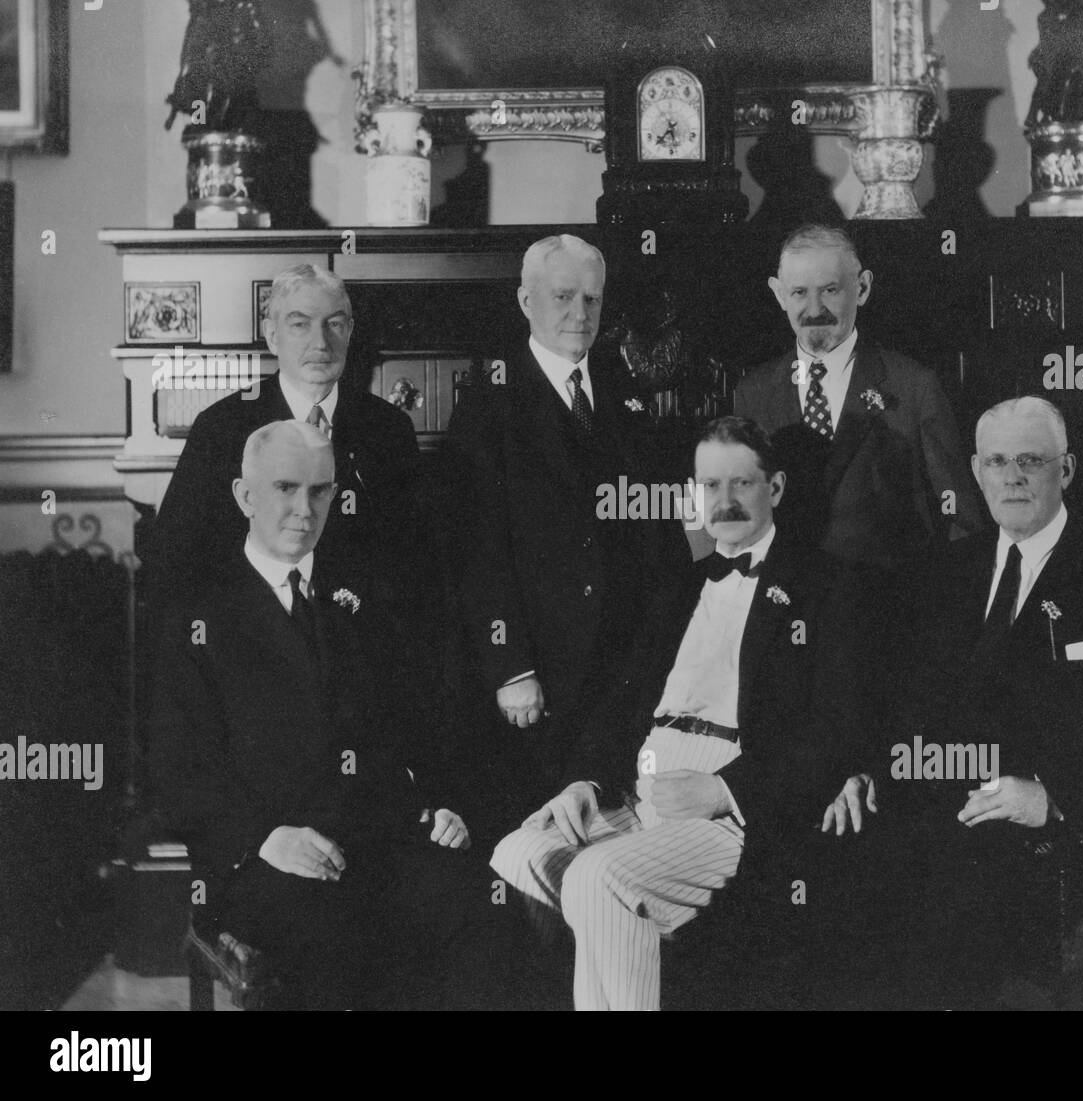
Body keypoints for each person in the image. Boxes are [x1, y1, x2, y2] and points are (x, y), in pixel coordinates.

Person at [490, 416, 865, 1011]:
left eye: (741, 484)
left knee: (596, 877)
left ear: (778, 488)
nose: (725, 501)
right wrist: (583, 783)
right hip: (641, 791)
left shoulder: (827, 586)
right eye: (710, 486)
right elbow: (622, 706)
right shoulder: (675, 590)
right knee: (517, 852)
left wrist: (725, 790)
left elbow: (835, 723)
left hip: (729, 804)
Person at [148, 420, 489, 1010]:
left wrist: (438, 802)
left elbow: (413, 725)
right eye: (286, 488)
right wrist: (265, 838)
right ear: (244, 496)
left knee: (476, 907)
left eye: (320, 490)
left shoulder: (362, 597)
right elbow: (178, 771)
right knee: (336, 937)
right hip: (258, 860)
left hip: (375, 839)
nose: (304, 509)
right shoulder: (196, 614)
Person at [821, 395, 1083, 1007]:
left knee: (939, 904)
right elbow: (900, 698)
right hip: (930, 803)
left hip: (1037, 832)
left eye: (1031, 461)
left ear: (1065, 470)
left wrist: (1050, 796)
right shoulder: (942, 572)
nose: (1012, 477)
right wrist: (864, 768)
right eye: (997, 462)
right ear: (974, 472)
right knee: (827, 869)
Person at [446, 233, 684, 842]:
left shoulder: (628, 393)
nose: (580, 314)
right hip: (537, 676)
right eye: (562, 297)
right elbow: (475, 547)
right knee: (534, 842)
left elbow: (655, 530)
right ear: (526, 301)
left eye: (592, 299)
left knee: (608, 834)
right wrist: (509, 667)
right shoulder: (488, 398)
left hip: (619, 667)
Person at [149, 264, 422, 616]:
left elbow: (414, 561)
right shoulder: (222, 428)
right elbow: (177, 560)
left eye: (335, 324)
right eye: (300, 325)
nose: (321, 342)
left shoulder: (389, 428)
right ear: (273, 335)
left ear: (350, 332)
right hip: (256, 637)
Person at [734, 223, 982, 569]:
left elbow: (958, 520)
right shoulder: (754, 393)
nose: (814, 308)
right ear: (778, 295)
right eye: (799, 293)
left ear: (862, 287)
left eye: (831, 290)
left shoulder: (913, 386)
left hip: (883, 608)